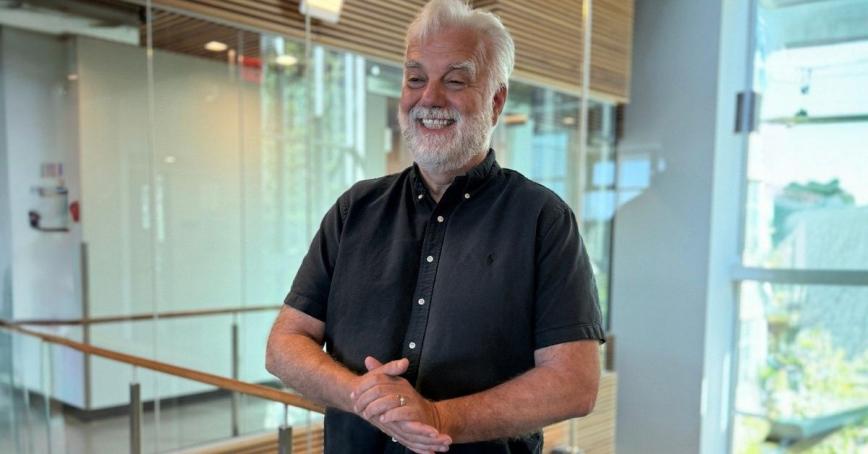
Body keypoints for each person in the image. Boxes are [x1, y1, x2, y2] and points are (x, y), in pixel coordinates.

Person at [265, 0, 605, 452]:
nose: (429, 99)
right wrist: (363, 396)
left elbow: (574, 383)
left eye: (456, 81)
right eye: (416, 79)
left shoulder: (543, 220)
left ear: (496, 100)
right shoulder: (355, 210)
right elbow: (284, 343)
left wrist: (439, 416)